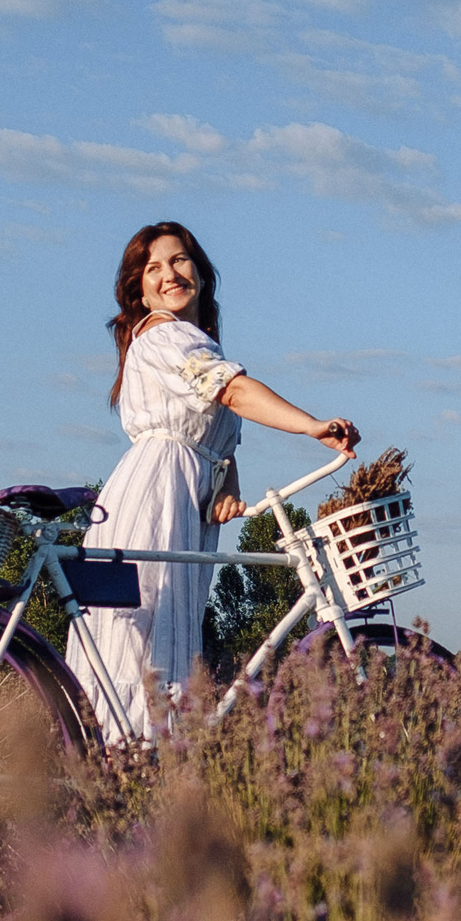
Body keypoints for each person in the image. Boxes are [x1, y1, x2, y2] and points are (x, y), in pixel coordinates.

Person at [71, 221, 358, 742]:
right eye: (152, 268)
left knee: (166, 634)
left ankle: (139, 766)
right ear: (139, 288)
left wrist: (226, 479)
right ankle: (124, 762)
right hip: (157, 494)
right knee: (145, 634)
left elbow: (219, 431)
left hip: (186, 495)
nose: (168, 274)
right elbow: (231, 393)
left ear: (201, 272)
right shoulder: (164, 334)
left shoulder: (198, 342)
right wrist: (310, 425)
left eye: (179, 260)